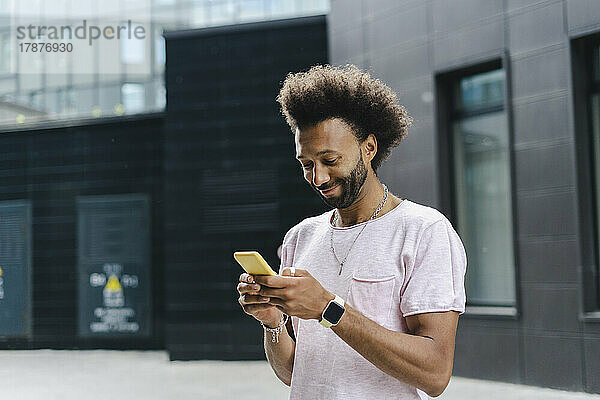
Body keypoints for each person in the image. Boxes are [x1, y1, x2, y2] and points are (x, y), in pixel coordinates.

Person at [236, 64, 467, 399]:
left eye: (330, 160)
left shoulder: (423, 231)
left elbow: (435, 373)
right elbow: (293, 373)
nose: (319, 178)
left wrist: (329, 308)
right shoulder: (300, 237)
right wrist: (272, 321)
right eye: (307, 164)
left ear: (368, 147)